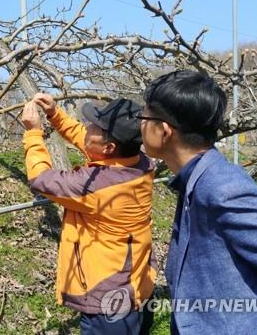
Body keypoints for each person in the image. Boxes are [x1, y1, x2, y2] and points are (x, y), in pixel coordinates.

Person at [139, 70, 257, 334]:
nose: (140, 125)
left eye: (144, 117)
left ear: (164, 130)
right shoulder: (197, 180)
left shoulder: (221, 187)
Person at [21, 93, 156, 334]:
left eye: (95, 125)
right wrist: (55, 114)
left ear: (109, 147)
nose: (87, 127)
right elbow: (87, 140)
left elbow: (41, 179)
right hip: (138, 283)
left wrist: (33, 133)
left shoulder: (98, 186)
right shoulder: (139, 162)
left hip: (109, 301)